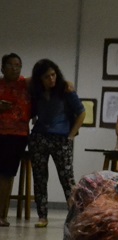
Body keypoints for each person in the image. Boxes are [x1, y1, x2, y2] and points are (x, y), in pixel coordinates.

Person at [29, 59, 85, 228]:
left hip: (62, 138)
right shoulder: (35, 92)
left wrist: (71, 135)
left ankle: (75, 215)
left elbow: (81, 112)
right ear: (40, 79)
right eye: (47, 77)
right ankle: (42, 216)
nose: (51, 79)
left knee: (67, 179)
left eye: (53, 75)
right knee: (39, 178)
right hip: (39, 137)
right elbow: (24, 81)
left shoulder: (65, 90)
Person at [0, 53, 31, 227]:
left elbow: (45, 74)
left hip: (17, 135)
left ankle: (2, 214)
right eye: (10, 65)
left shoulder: (25, 84)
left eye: (18, 65)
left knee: (7, 174)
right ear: (2, 67)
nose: (14, 68)